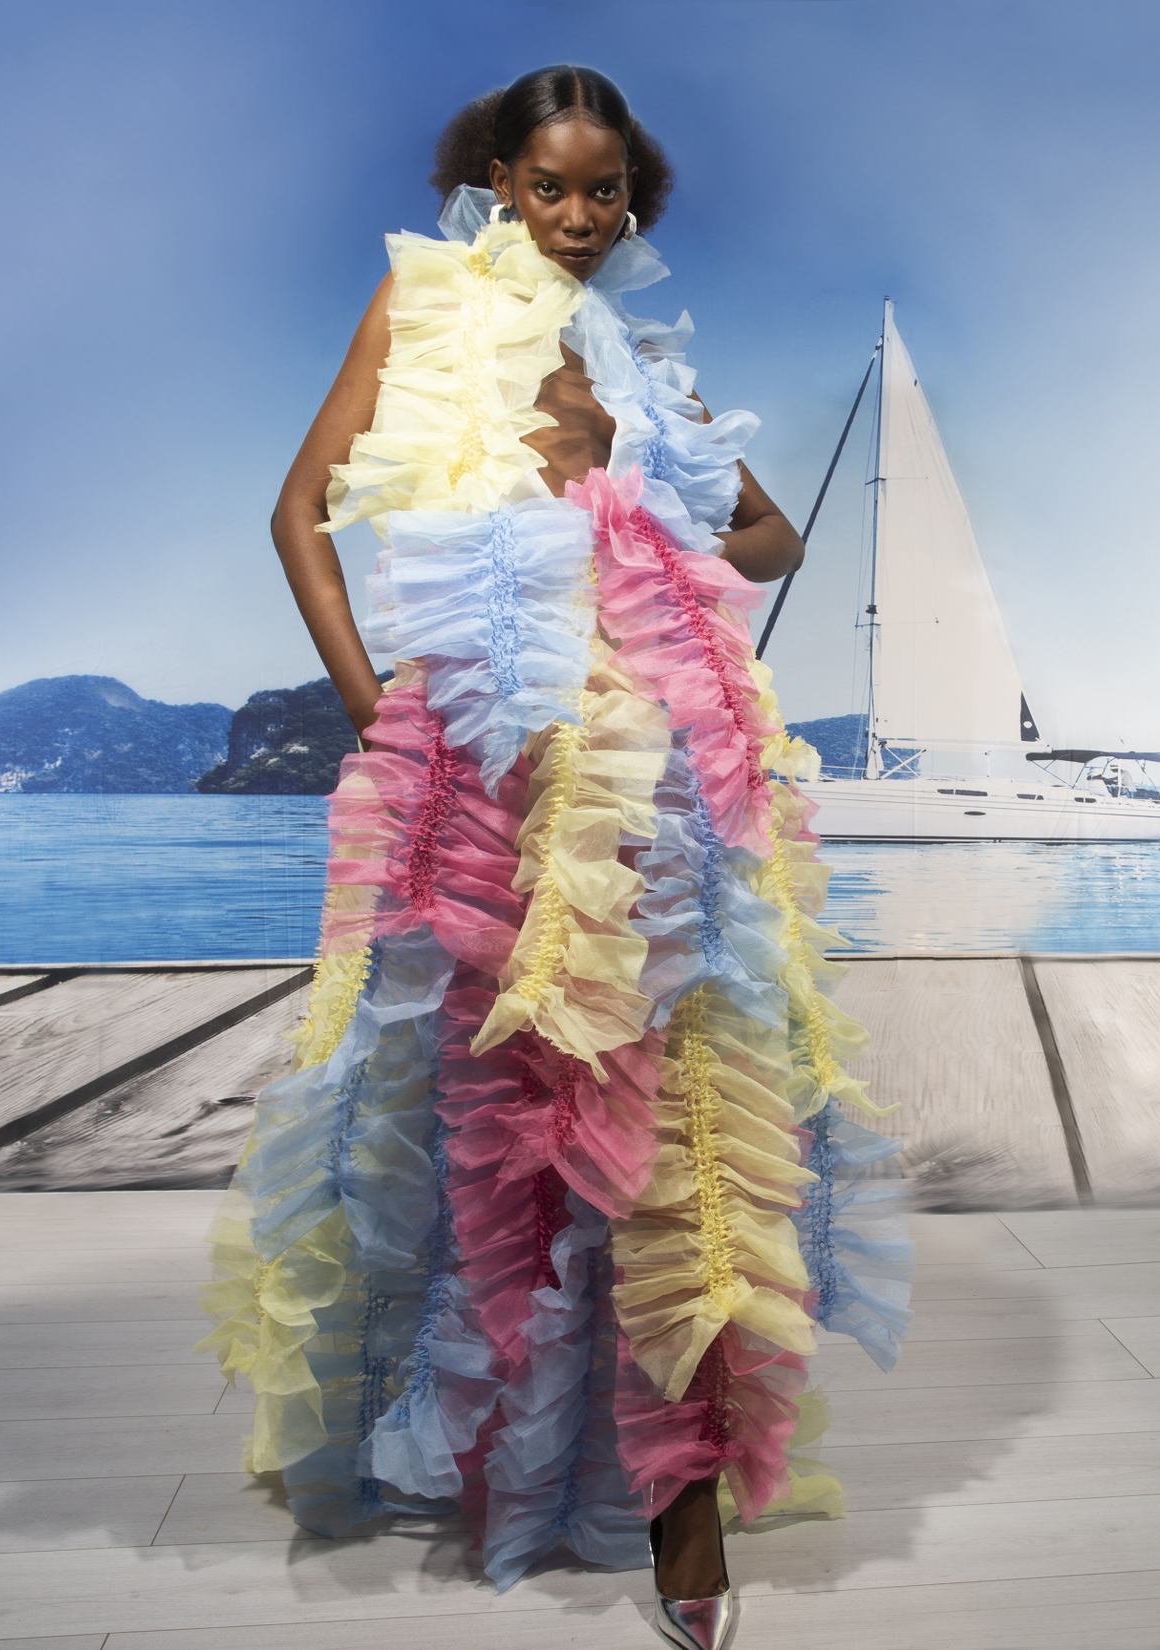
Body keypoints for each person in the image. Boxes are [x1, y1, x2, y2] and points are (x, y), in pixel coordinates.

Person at [199, 65, 912, 1650]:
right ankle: (517, 1448)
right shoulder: (423, 307)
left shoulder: (638, 359)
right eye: (549, 186)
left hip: (653, 779)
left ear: (631, 197)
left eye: (605, 191)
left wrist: (622, 499)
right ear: (496, 182)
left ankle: (684, 1505)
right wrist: (373, 706)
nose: (579, 216)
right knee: (507, 1122)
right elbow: (300, 511)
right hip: (485, 775)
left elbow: (773, 538)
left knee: (680, 1116)